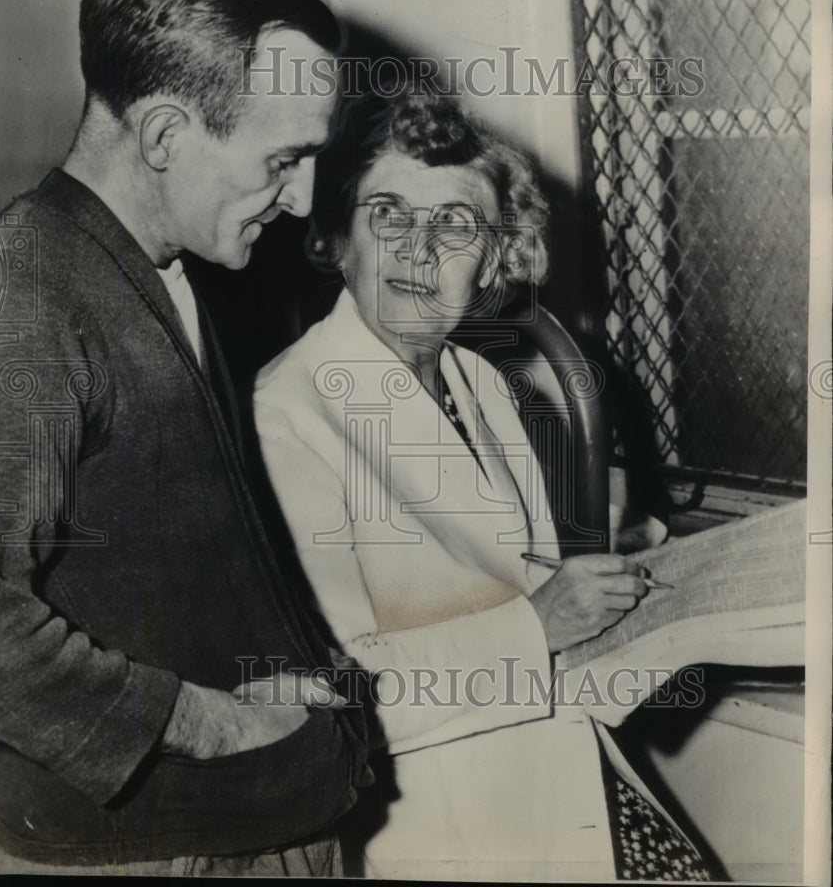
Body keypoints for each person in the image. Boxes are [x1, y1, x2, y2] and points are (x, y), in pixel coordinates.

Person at [0, 0, 370, 876]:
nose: (302, 199)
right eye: (285, 158)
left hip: (249, 827)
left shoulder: (184, 273)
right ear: (162, 136)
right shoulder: (22, 291)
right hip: (144, 849)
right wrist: (216, 725)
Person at [253, 95, 715, 880]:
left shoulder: (476, 378)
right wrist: (537, 624)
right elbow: (332, 696)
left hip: (555, 766)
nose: (420, 250)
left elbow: (496, 564)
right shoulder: (288, 408)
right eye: (388, 213)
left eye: (456, 224)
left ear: (499, 259)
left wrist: (626, 568)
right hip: (438, 815)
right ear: (334, 241)